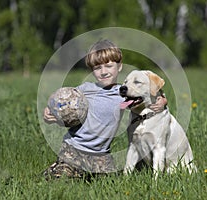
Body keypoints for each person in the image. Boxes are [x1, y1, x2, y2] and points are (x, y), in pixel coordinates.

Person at [43, 39, 167, 179]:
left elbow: (148, 97)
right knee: (64, 177)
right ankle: (57, 170)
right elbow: (61, 101)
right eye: (97, 68)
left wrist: (162, 100)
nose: (103, 72)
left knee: (109, 181)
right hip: (73, 149)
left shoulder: (124, 94)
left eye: (109, 66)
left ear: (119, 66)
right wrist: (49, 112)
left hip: (101, 154)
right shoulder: (84, 90)